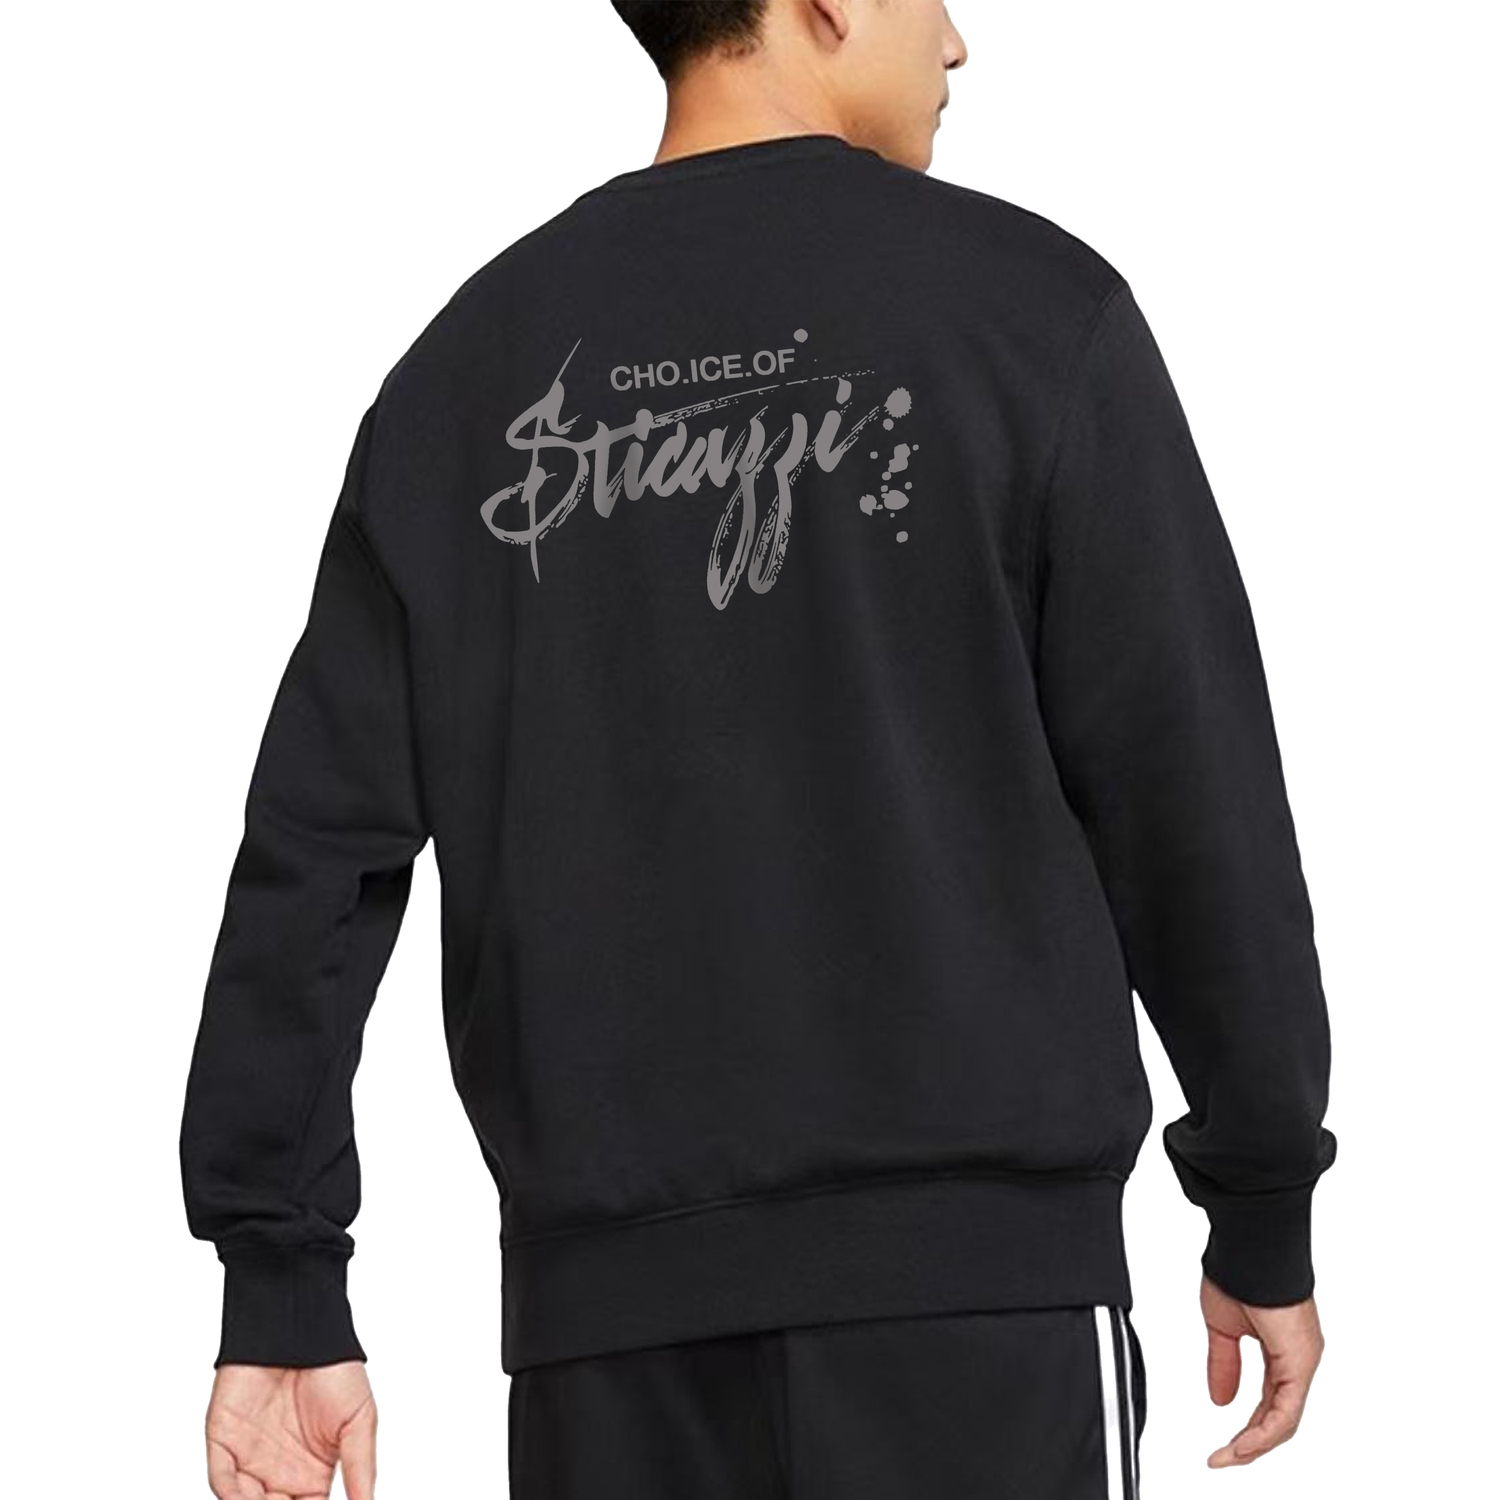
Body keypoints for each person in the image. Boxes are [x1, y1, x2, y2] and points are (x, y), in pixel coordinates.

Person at [179, 2, 1338, 1496]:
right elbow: (1194, 802)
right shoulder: (1033, 315)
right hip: (977, 1323)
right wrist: (1260, 1196)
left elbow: (313, 859)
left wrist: (280, 1288)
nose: (959, 43)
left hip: (611, 1356)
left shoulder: (469, 372)